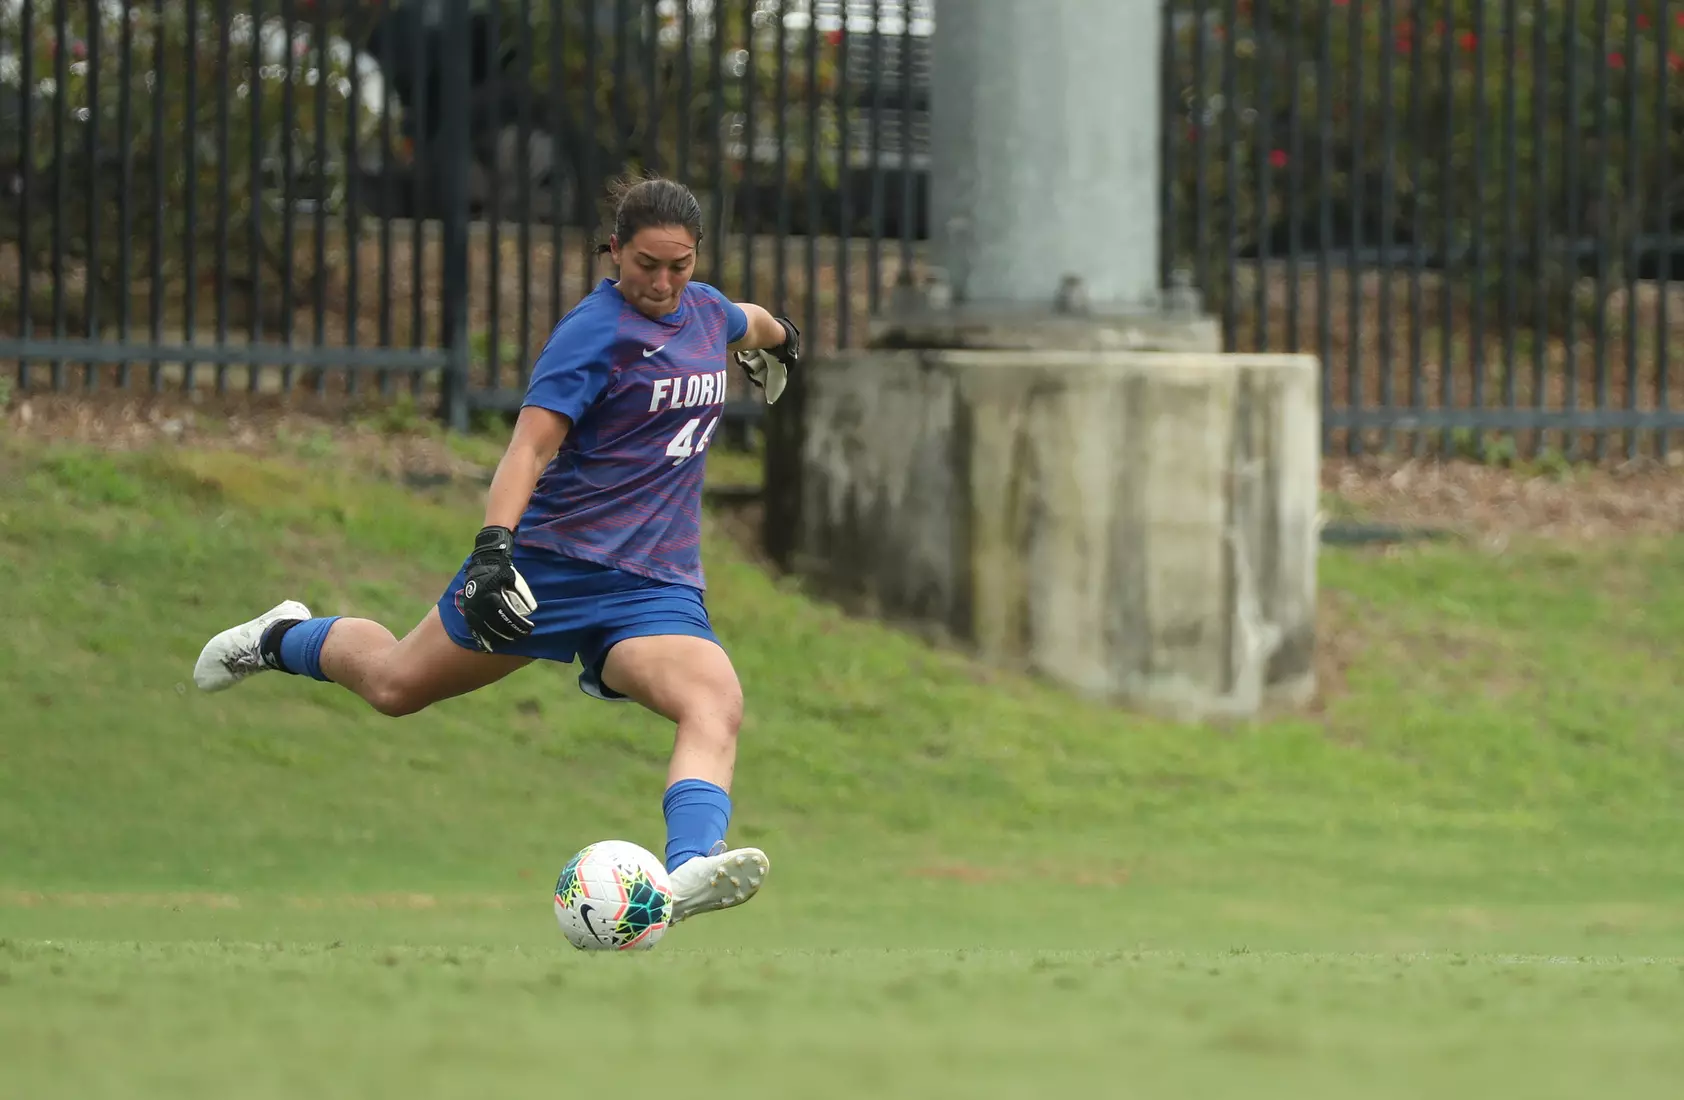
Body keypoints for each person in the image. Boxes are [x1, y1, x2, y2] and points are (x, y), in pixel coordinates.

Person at [192, 175, 801, 928]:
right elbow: (528, 450)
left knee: (714, 701)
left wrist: (781, 345)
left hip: (654, 584)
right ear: (615, 252)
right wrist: (492, 552)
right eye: (647, 264)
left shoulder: (706, 311)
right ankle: (280, 635)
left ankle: (686, 872)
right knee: (393, 686)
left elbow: (755, 322)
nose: (664, 282)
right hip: (551, 570)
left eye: (679, 265)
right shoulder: (594, 333)